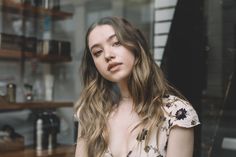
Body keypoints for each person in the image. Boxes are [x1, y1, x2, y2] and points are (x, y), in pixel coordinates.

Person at [74, 16, 200, 157]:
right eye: (98, 52)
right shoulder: (90, 113)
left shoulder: (177, 113)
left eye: (116, 43)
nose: (108, 55)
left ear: (135, 46)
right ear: (94, 65)